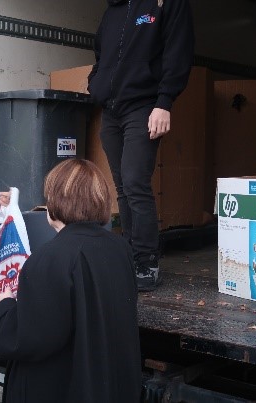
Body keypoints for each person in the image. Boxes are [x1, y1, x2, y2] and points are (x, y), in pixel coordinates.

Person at [0, 158, 142, 402]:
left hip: (62, 388)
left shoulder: (50, 257)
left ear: (57, 201)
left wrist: (4, 306)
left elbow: (28, 341)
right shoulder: (119, 247)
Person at [87, 0, 194, 291]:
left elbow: (178, 50)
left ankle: (146, 262)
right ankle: (130, 255)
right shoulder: (113, 10)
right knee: (123, 187)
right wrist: (96, 84)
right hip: (111, 110)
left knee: (135, 182)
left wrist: (164, 102)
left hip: (144, 106)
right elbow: (100, 55)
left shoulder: (165, 3)